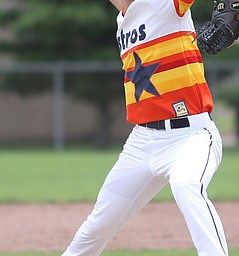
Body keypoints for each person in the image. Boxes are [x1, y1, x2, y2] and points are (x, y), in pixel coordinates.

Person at [61, 0, 229, 255]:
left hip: (190, 135)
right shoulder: (122, 23)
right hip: (142, 142)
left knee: (187, 185)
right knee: (99, 223)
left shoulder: (165, 3)